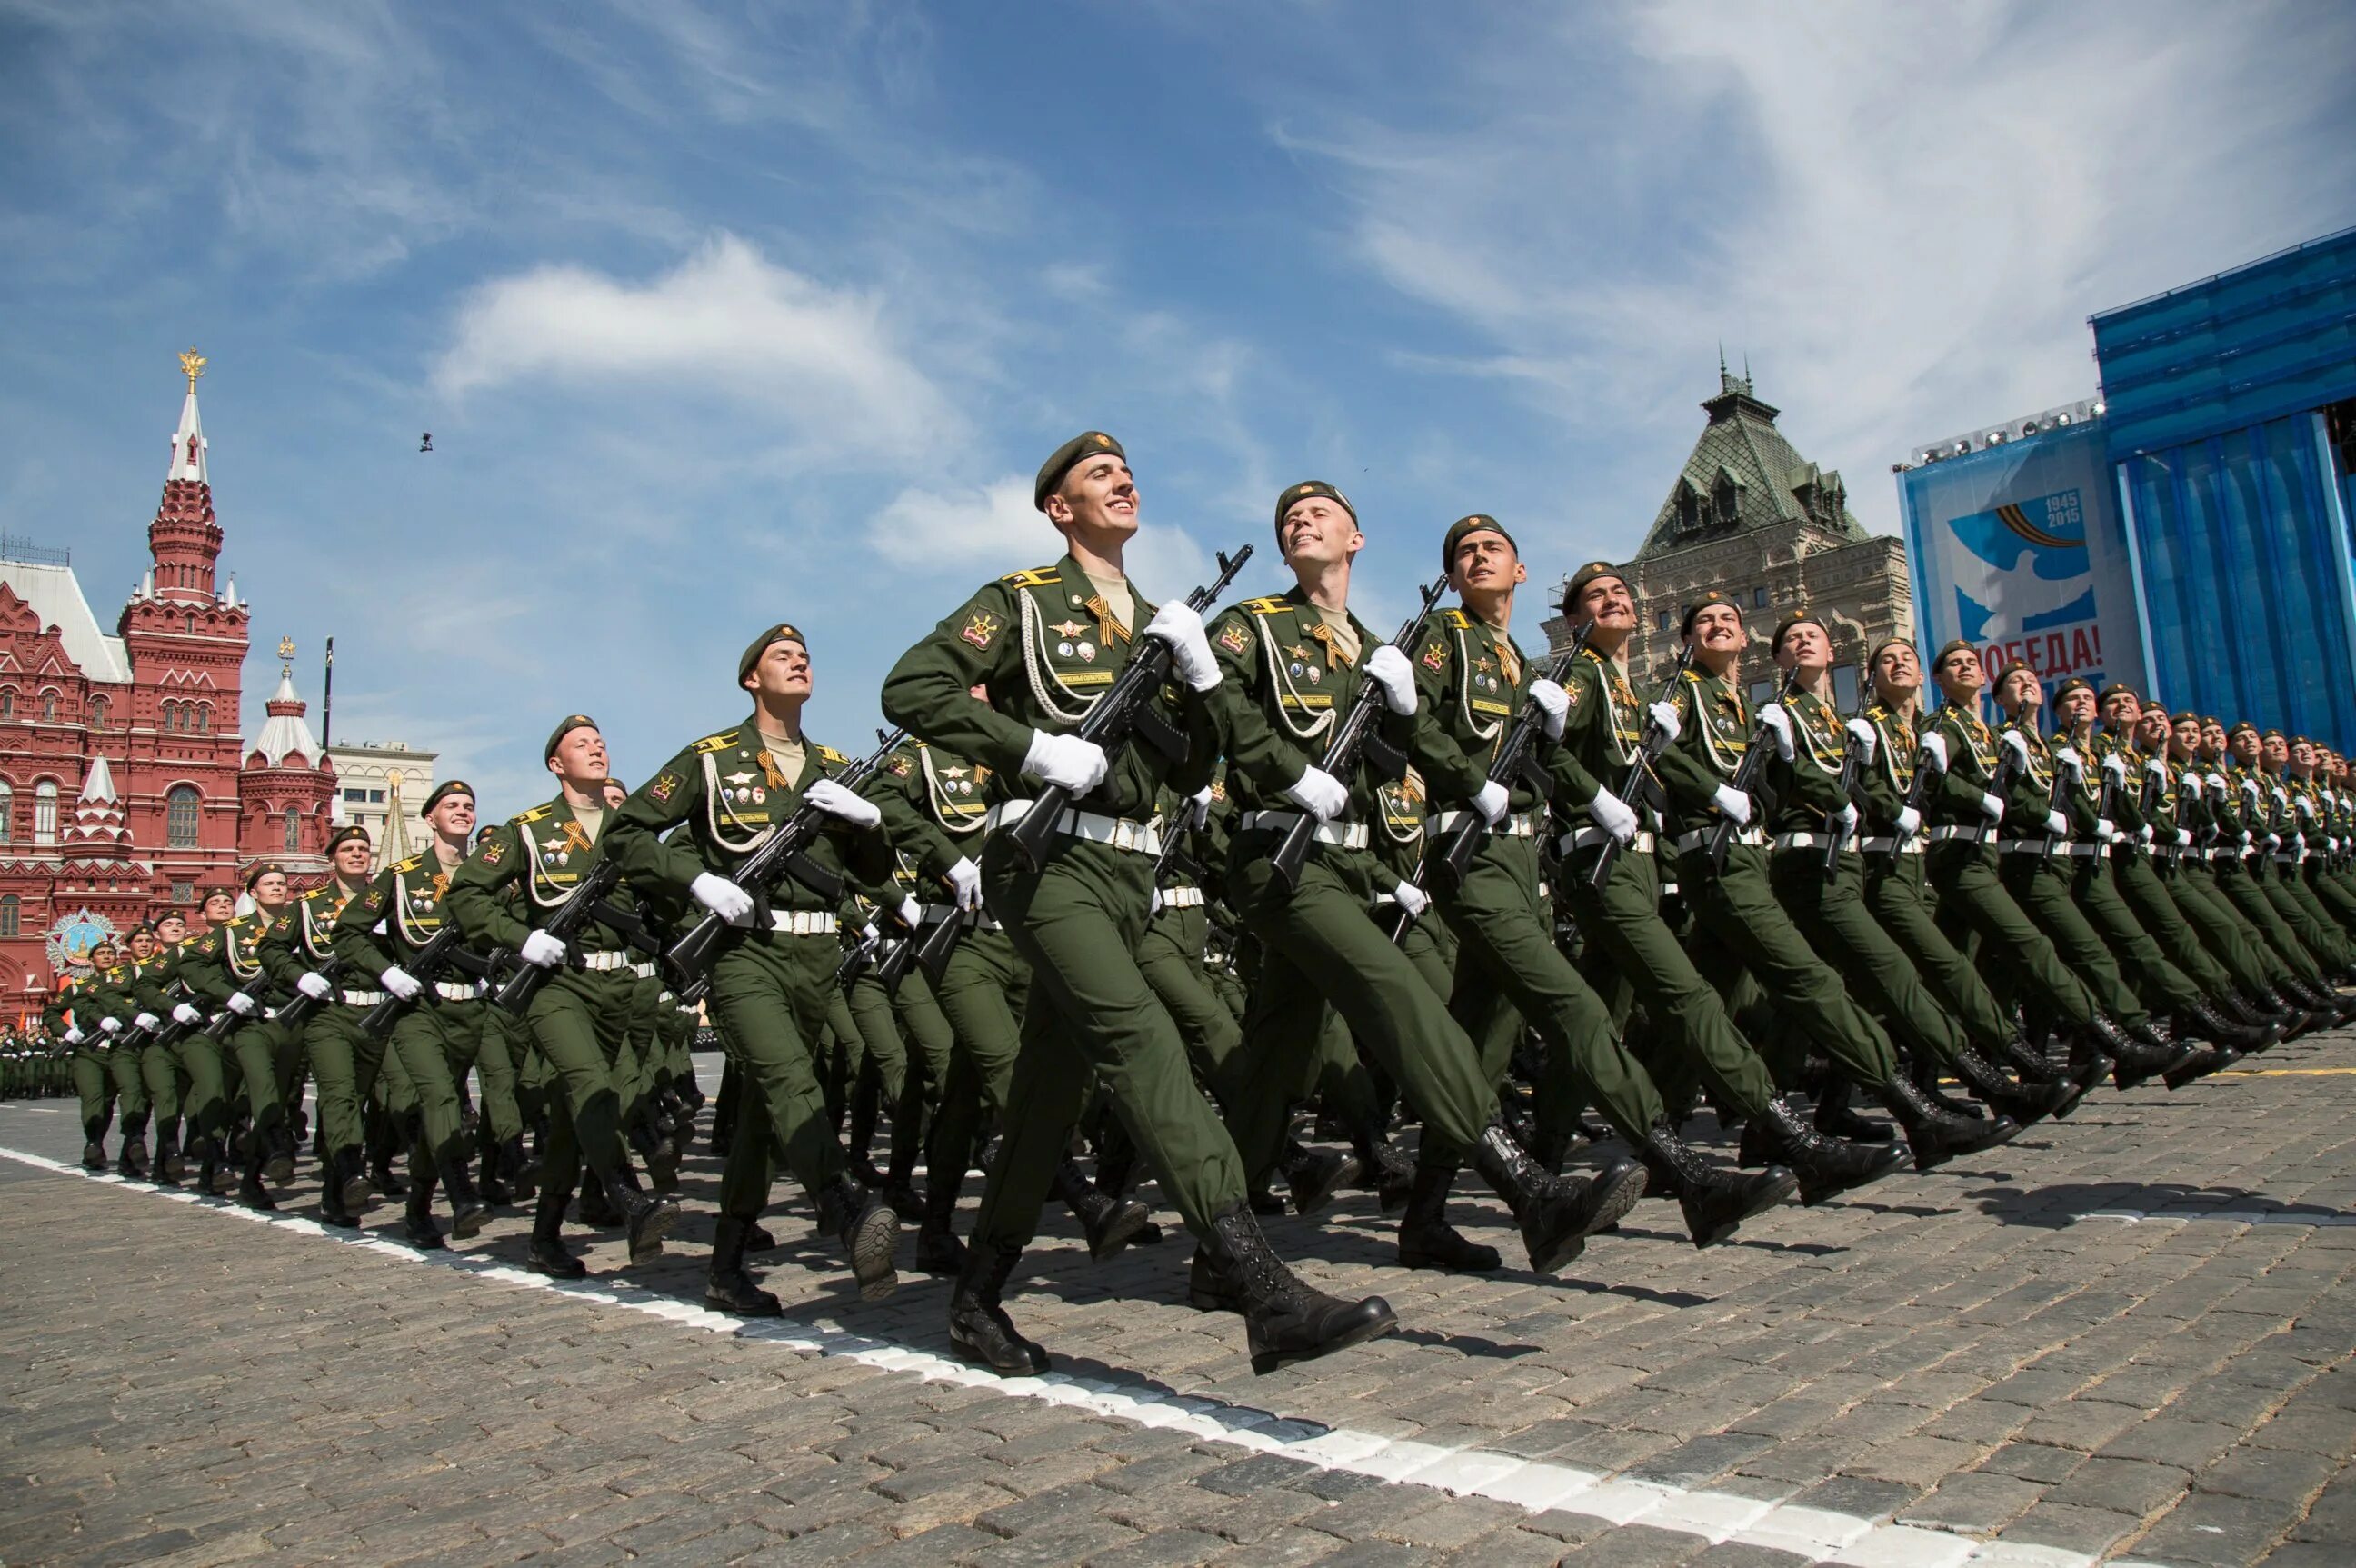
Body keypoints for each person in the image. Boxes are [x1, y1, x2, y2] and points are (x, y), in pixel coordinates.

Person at [881, 431, 1393, 1376]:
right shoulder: (1022, 602)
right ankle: (1261, 1289)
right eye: (1095, 477)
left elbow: (1194, 764)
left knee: (1044, 1097)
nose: (1121, 481)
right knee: (1145, 1043)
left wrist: (1198, 680)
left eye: (1125, 473)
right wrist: (1030, 751)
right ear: (1059, 509)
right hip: (1048, 869)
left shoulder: (1162, 623)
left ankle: (976, 1299)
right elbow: (912, 685)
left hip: (1133, 877)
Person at [1206, 486, 1643, 1282]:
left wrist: (1404, 717)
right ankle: (1526, 1186)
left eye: (1319, 514)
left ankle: (1218, 1251)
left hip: (1346, 862)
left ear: (1357, 539)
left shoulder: (1378, 650)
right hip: (1280, 855)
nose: (1300, 521)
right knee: (1398, 995)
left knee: (1274, 1062)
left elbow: (1397, 769)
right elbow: (1214, 705)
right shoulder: (1253, 623)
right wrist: (1284, 771)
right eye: (1287, 520)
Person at [607, 625, 905, 1313]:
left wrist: (870, 822)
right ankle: (847, 1204)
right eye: (782, 655)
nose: (799, 661)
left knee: (768, 1117)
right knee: (789, 1080)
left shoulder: (835, 766)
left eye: (805, 656)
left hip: (818, 955)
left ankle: (726, 1264)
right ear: (751, 678)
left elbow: (873, 871)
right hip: (747, 954)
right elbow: (625, 832)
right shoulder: (712, 759)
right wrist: (695, 881)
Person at [447, 715, 681, 1278]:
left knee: (580, 1113)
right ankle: (629, 1199)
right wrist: (522, 938)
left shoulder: (631, 828)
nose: (596, 748)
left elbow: (662, 901)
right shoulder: (527, 830)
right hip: (558, 985)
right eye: (582, 744)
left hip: (620, 985)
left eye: (601, 742)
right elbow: (466, 895)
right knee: (591, 1087)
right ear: (557, 764)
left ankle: (545, 1235)